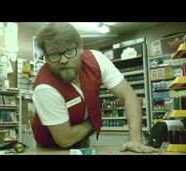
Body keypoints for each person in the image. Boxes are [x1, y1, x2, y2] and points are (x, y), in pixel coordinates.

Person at [31, 22, 157, 153]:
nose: (63, 60)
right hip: (51, 148)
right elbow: (65, 139)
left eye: (69, 51)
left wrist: (135, 140)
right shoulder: (44, 88)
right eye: (54, 54)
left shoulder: (96, 59)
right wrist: (92, 123)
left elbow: (129, 97)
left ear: (80, 46)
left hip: (82, 137)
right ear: (45, 57)